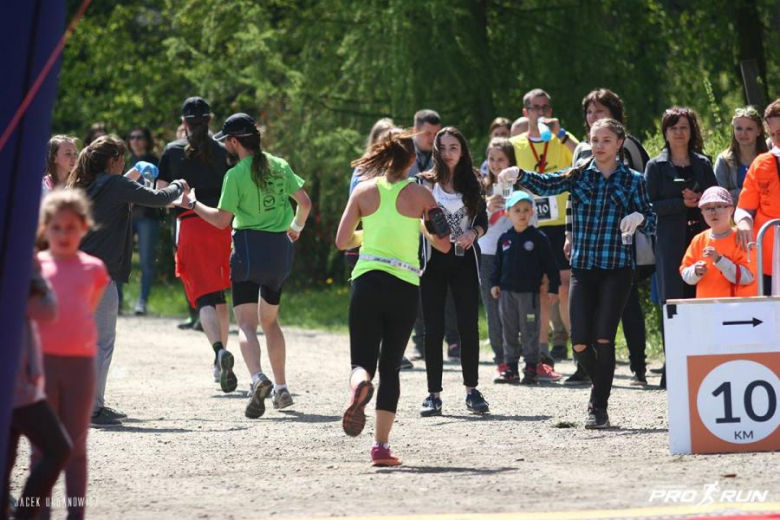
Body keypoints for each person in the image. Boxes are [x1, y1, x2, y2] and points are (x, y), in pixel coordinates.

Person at [500, 118, 656, 428]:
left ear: (619, 143)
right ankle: (603, 386)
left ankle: (598, 406)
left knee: (603, 338)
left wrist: (639, 217)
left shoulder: (634, 180)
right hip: (584, 268)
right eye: (595, 139)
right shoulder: (580, 173)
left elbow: (653, 220)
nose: (599, 145)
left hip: (617, 269)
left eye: (606, 140)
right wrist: (519, 175)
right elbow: (548, 184)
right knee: (580, 343)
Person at [178, 113, 311, 419]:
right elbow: (304, 203)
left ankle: (256, 378)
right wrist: (296, 228)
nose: (225, 144)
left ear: (235, 142)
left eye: (226, 140)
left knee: (247, 324)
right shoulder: (280, 165)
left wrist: (193, 203)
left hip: (249, 250)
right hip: (279, 251)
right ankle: (282, 387)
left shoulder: (235, 174)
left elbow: (222, 221)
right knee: (271, 322)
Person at [335, 130, 450, 466]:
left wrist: (369, 231)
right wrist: (422, 227)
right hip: (403, 285)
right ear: (413, 160)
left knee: (362, 363)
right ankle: (380, 448)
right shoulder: (422, 196)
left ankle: (360, 386)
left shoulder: (362, 191)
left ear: (382, 157)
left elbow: (343, 241)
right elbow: (444, 243)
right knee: (391, 368)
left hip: (367, 281)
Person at [66, 135, 187, 426]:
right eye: (121, 159)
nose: (124, 163)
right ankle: (92, 409)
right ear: (113, 162)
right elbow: (159, 199)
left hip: (76, 273)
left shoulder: (85, 185)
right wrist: (178, 185)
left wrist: (134, 175)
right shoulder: (115, 184)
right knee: (102, 343)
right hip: (100, 275)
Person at [566, 88, 653, 385]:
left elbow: (644, 190)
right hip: (588, 247)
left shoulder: (632, 147)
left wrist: (638, 217)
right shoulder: (581, 152)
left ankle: (638, 365)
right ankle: (590, 370)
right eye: (589, 112)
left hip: (626, 245)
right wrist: (569, 234)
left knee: (627, 307)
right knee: (588, 314)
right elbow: (570, 198)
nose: (593, 117)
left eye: (599, 111)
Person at [33, 189, 110, 519]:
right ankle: (39, 512)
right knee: (42, 448)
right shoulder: (35, 267)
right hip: (42, 366)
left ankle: (76, 513)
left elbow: (86, 311)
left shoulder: (94, 269)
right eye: (56, 228)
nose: (64, 235)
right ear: (45, 229)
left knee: (76, 445)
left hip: (80, 367)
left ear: (84, 227)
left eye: (71, 227)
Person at [158, 97, 235, 390]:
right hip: (222, 224)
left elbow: (162, 197)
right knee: (219, 294)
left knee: (204, 296)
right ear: (210, 120)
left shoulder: (173, 151)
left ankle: (218, 351)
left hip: (190, 226)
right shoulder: (224, 151)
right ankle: (221, 361)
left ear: (184, 122)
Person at [418, 127, 490, 417]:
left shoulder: (473, 181)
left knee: (467, 326)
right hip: (433, 261)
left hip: (464, 261)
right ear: (436, 151)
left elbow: (482, 218)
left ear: (462, 151)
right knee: (433, 328)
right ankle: (433, 395)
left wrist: (473, 232)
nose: (448, 153)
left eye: (453, 148)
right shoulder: (423, 182)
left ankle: (472, 390)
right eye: (443, 148)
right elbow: (416, 219)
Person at [646, 107, 717, 388]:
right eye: (673, 127)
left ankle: (701, 361)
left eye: (684, 127)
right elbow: (649, 206)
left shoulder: (703, 163)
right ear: (665, 132)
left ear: (692, 131)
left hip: (701, 241)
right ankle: (672, 365)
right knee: (672, 304)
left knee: (700, 301)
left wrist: (700, 199)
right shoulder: (655, 166)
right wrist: (680, 204)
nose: (679, 132)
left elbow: (717, 198)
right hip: (670, 243)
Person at [510, 88, 578, 378]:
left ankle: (578, 348)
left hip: (560, 222)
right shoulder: (515, 144)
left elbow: (583, 154)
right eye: (535, 108)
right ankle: (541, 349)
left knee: (564, 285)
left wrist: (560, 133)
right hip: (529, 223)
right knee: (538, 288)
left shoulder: (562, 139)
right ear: (526, 113)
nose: (541, 112)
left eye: (545, 107)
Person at [3, 258, 72, 520]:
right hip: (17, 385)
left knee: (6, 460)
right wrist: (35, 274)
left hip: (19, 382)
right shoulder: (20, 258)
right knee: (58, 448)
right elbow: (48, 310)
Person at [406, 109, 460, 363]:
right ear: (415, 130)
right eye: (427, 133)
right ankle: (420, 341)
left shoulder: (445, 157)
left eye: (436, 134)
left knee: (448, 286)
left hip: (441, 229)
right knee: (418, 287)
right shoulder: (405, 156)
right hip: (410, 231)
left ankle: (453, 341)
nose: (432, 139)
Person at [490, 191, 560, 384]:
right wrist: (495, 283)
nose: (521, 214)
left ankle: (531, 366)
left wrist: (554, 287)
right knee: (509, 330)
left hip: (529, 295)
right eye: (517, 210)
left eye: (526, 210)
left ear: (532, 213)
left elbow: (551, 266)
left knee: (530, 330)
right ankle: (510, 367)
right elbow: (497, 264)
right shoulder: (505, 239)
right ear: (507, 213)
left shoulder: (538, 238)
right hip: (507, 294)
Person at [735, 98, 780, 296]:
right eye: (773, 134)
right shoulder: (761, 163)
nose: (777, 139)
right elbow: (744, 207)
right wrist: (743, 221)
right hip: (768, 258)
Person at [117, 126, 161, 316]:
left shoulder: (155, 160)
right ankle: (117, 300)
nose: (135, 140)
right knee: (119, 258)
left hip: (147, 218)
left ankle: (142, 302)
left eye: (139, 137)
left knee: (146, 262)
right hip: (126, 216)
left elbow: (159, 189)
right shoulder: (125, 161)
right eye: (132, 137)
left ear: (146, 140)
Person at [680, 187, 755, 298]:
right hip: (706, 309)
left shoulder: (742, 237)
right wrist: (695, 271)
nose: (713, 212)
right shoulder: (698, 240)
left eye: (719, 206)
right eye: (707, 208)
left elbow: (748, 277)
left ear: (731, 210)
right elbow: (685, 273)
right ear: (702, 213)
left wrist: (720, 260)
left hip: (738, 309)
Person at [714, 106, 768, 201]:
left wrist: (735, 192)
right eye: (739, 128)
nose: (743, 133)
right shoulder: (723, 161)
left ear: (759, 131)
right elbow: (720, 197)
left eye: (749, 129)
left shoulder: (769, 159)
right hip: (734, 214)